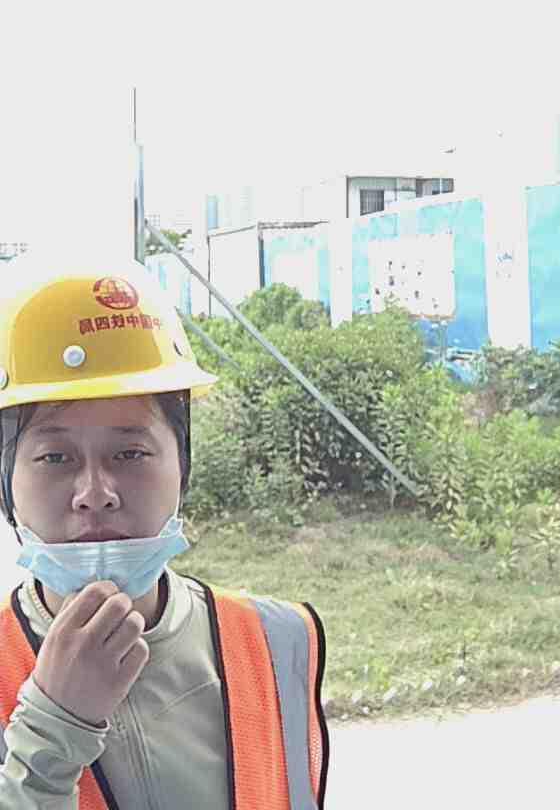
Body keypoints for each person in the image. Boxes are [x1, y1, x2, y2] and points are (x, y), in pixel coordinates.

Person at [0, 256, 329, 809]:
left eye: (130, 453)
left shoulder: (278, 641)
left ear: (183, 464)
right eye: (55, 456)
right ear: (6, 480)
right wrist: (52, 730)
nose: (95, 493)